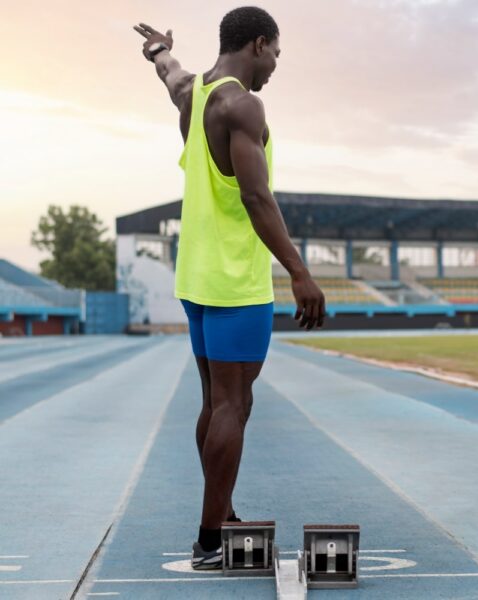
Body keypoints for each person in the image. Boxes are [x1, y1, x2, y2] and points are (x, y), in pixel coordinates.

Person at [134, 7, 325, 569]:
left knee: (215, 402)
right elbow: (256, 197)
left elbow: (169, 72)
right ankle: (210, 540)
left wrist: (158, 51)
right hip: (235, 282)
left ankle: (222, 516)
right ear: (259, 44)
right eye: (276, 54)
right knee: (234, 405)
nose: (275, 67)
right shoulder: (243, 103)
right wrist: (299, 271)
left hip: (194, 277)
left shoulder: (193, 92)